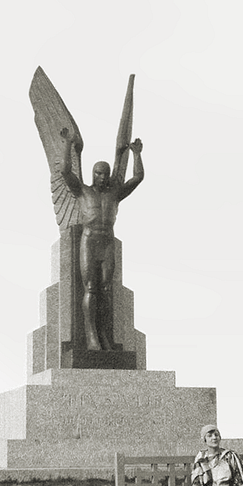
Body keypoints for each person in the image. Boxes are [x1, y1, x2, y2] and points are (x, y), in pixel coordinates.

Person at [60, 127, 144, 351]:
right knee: (91, 288)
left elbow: (137, 178)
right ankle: (91, 336)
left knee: (106, 289)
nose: (102, 177)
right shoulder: (83, 192)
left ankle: (104, 334)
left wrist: (136, 154)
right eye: (98, 173)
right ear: (92, 174)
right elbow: (66, 172)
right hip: (89, 242)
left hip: (107, 243)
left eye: (105, 173)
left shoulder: (114, 194)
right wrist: (68, 143)